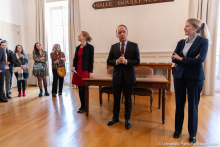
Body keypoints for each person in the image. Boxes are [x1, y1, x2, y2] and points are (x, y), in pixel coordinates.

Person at [172, 18, 211, 144]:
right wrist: (189, 61)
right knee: (179, 104)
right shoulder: (181, 42)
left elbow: (200, 60)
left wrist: (182, 59)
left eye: (187, 26)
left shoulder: (203, 42)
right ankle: (177, 130)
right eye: (185, 26)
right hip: (179, 76)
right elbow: (173, 58)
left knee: (193, 106)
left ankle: (192, 134)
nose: (185, 28)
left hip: (195, 78)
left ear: (195, 28)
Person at [106, 25, 140, 129]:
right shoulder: (113, 47)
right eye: (120, 32)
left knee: (128, 100)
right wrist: (117, 61)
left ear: (127, 33)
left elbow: (137, 61)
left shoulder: (134, 45)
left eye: (124, 32)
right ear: (117, 35)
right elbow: (108, 61)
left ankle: (127, 119)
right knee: (116, 99)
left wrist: (126, 61)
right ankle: (115, 117)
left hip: (128, 78)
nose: (122, 34)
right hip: (116, 78)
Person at [71, 31, 94, 113]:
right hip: (78, 70)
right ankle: (82, 106)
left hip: (85, 70)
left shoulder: (90, 47)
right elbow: (75, 59)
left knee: (83, 89)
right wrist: (73, 66)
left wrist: (90, 71)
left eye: (80, 35)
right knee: (79, 89)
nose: (78, 35)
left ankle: (85, 107)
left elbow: (91, 61)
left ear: (84, 37)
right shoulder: (77, 48)